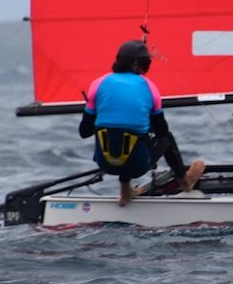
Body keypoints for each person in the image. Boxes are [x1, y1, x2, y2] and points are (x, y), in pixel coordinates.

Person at [79, 40, 204, 206]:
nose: (147, 68)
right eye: (146, 64)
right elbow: (161, 132)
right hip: (137, 166)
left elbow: (84, 132)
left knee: (122, 136)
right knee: (166, 138)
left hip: (105, 164)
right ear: (136, 65)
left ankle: (125, 191)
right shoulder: (150, 87)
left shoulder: (97, 84)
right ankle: (185, 182)